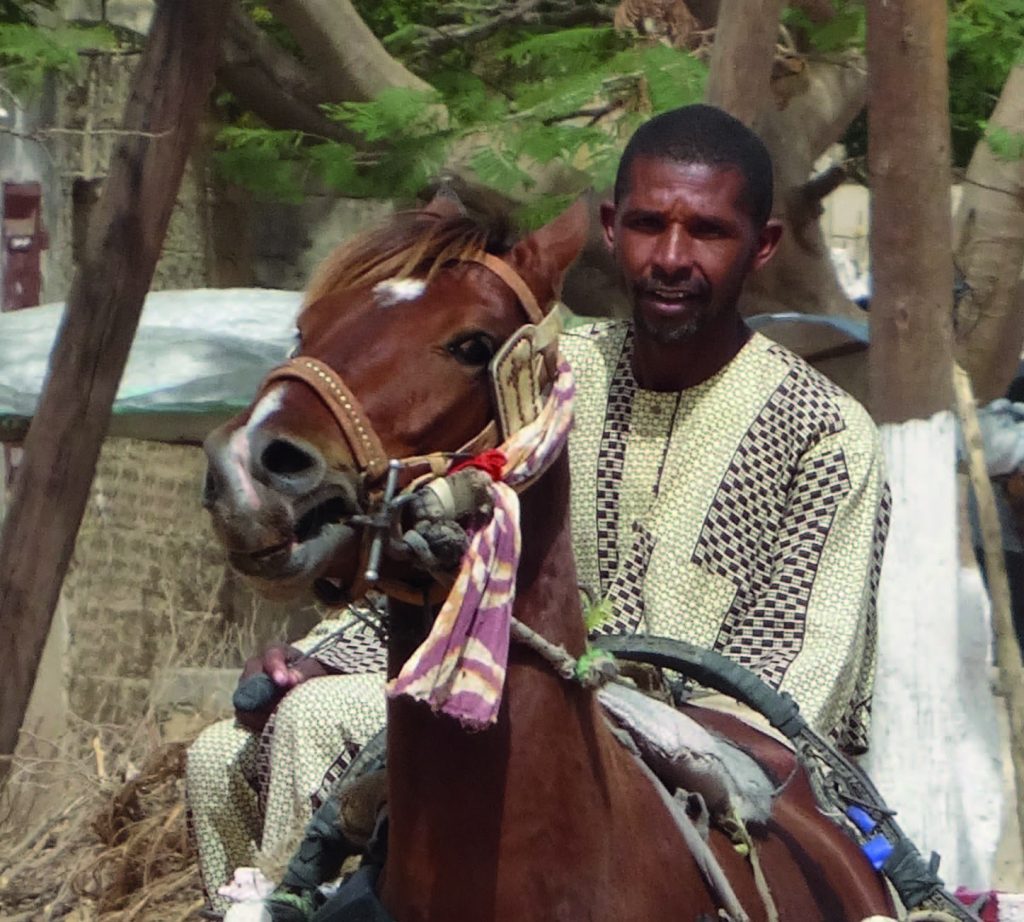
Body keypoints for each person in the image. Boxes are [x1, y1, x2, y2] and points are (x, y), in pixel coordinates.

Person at [187, 103, 890, 915]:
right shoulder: (545, 376)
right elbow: (446, 544)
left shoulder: (826, 432)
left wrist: (609, 719)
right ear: (609, 227)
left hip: (716, 757)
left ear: (762, 246)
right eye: (648, 224)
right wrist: (319, 655)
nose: (670, 256)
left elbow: (794, 689)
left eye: (706, 232)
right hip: (512, 710)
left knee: (333, 726)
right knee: (233, 751)